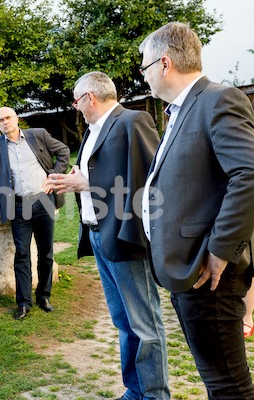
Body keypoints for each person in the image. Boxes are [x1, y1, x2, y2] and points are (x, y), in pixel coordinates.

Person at [139, 22, 254, 398]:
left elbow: (249, 173)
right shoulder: (180, 110)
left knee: (229, 387)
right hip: (187, 270)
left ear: (165, 63)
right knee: (216, 382)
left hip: (210, 273)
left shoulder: (219, 99)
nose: (144, 77)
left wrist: (220, 251)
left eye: (144, 67)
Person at [46, 72, 169, 400]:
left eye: (75, 100)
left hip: (125, 238)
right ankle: (135, 390)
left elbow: (150, 182)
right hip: (98, 237)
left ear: (89, 97)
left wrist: (87, 184)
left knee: (145, 325)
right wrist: (72, 179)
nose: (76, 107)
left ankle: (155, 395)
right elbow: (95, 174)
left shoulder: (133, 121)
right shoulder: (91, 132)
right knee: (123, 322)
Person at [0, 107, 70, 320]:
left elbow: (64, 152)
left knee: (46, 250)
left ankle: (44, 296)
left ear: (17, 119)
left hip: (43, 200)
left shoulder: (37, 135)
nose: (5, 122)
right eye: (0, 120)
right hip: (18, 205)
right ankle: (23, 302)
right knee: (22, 253)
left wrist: (54, 176)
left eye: (8, 118)